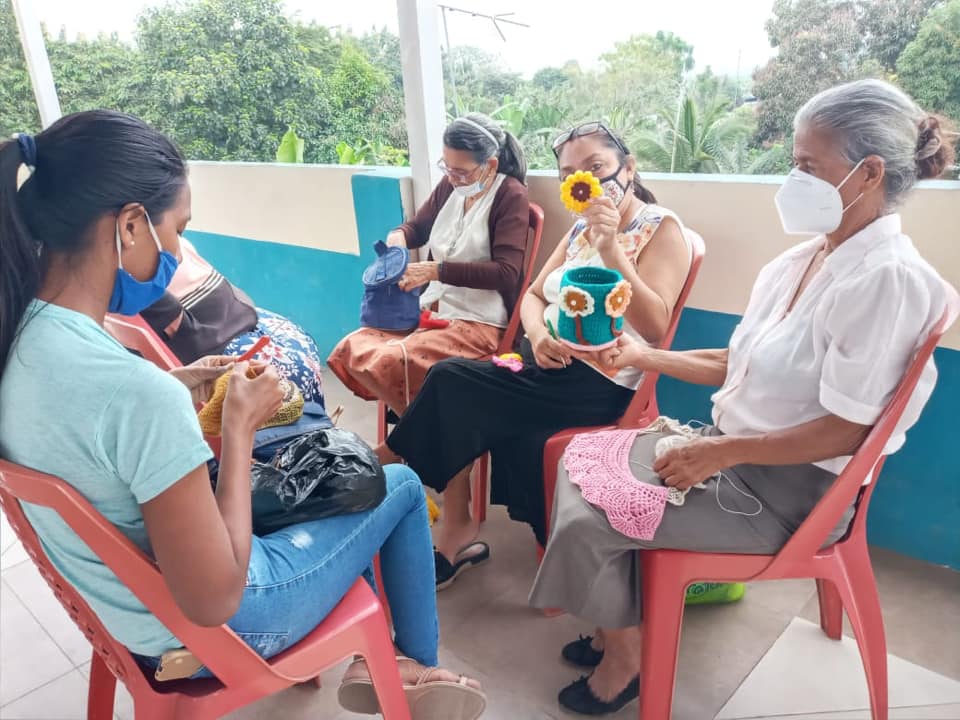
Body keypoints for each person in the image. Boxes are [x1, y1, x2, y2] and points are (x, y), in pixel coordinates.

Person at [0, 111, 485, 720]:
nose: (177, 251)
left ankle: (383, 653)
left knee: (330, 492)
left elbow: (91, 427)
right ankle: (408, 662)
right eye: (177, 230)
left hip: (116, 609)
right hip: (205, 632)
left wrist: (173, 384)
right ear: (130, 225)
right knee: (399, 485)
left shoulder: (21, 339)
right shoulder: (133, 395)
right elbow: (215, 599)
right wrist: (238, 429)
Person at [528, 79, 957, 715]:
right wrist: (646, 357)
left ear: (869, 173)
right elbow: (744, 362)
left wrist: (719, 453)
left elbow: (850, 430)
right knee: (579, 462)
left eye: (808, 165)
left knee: (595, 515)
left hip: (794, 493)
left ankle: (625, 657)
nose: (793, 179)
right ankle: (619, 625)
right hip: (737, 454)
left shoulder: (887, 281)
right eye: (794, 161)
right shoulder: (803, 261)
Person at [378, 122, 693, 587]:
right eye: (571, 174)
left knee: (452, 381)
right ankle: (443, 519)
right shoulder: (581, 228)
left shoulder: (659, 228)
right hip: (545, 364)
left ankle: (384, 468)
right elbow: (533, 295)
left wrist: (611, 249)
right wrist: (539, 335)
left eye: (597, 167)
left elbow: (655, 326)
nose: (587, 181)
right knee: (459, 393)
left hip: (595, 381)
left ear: (628, 168)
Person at [328, 113, 530, 414]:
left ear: (490, 164)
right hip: (434, 309)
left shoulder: (510, 195)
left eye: (461, 171)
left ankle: (418, 431)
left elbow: (506, 273)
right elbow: (419, 227)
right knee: (352, 348)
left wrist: (436, 271)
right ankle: (423, 426)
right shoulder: (452, 187)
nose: (452, 177)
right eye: (447, 167)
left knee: (390, 359)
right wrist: (398, 236)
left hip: (480, 322)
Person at [141, 235, 328, 406]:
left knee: (295, 360)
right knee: (291, 377)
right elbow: (191, 339)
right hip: (228, 336)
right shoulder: (147, 280)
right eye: (177, 227)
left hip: (237, 326)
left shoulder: (169, 251)